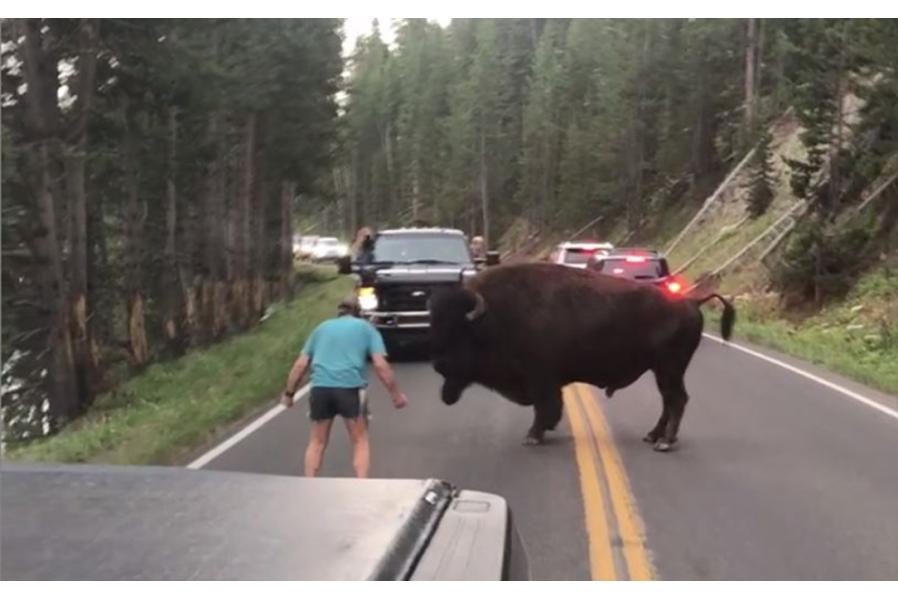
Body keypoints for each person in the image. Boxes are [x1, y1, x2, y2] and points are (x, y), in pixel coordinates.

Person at [281, 296, 408, 478]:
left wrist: (289, 394)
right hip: (350, 389)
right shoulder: (367, 329)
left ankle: (309, 484)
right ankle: (360, 485)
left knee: (317, 442)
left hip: (320, 388)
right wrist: (396, 395)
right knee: (359, 441)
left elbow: (300, 365)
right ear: (359, 313)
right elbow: (380, 365)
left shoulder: (321, 328)